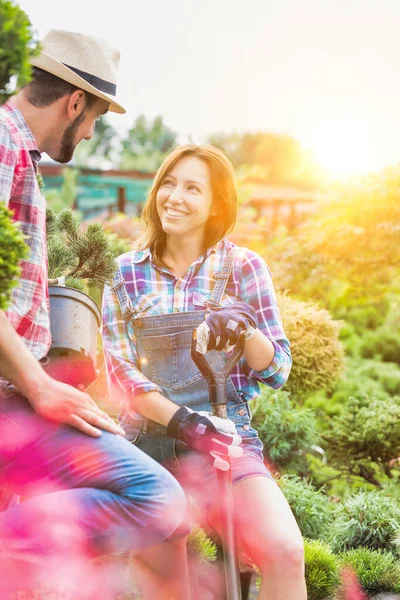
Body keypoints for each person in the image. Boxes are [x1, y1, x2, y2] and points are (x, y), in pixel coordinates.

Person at [0, 30, 190, 598]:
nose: (87, 135)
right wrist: (38, 384)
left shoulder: (19, 155)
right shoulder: (4, 145)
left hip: (17, 394)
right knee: (157, 498)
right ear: (75, 102)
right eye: (93, 121)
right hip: (16, 395)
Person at [102, 144, 307, 599]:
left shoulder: (244, 267)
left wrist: (244, 325)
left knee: (285, 551)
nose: (174, 197)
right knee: (171, 587)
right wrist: (185, 423)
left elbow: (276, 370)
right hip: (147, 446)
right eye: (169, 184)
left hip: (223, 439)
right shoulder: (124, 274)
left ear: (217, 203)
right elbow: (120, 375)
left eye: (192, 188)